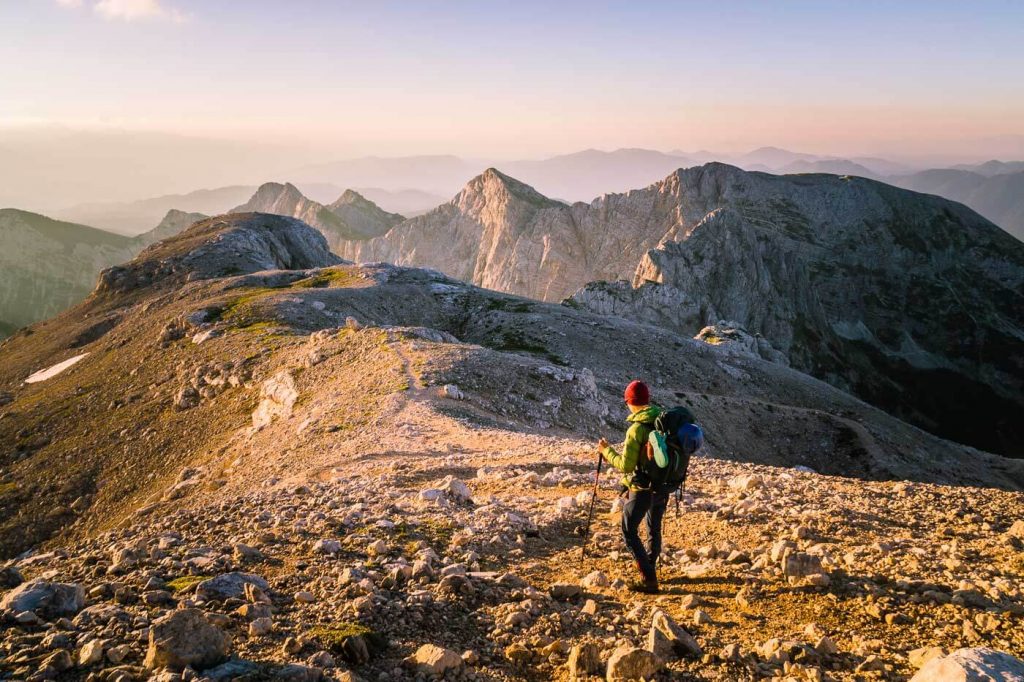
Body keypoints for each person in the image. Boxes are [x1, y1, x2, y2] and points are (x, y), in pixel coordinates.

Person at [598, 379, 669, 594]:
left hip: (642, 489)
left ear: (630, 402)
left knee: (629, 530)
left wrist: (606, 451)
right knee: (653, 527)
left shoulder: (636, 429)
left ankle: (649, 579)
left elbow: (625, 465)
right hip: (662, 487)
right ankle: (650, 566)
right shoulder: (662, 421)